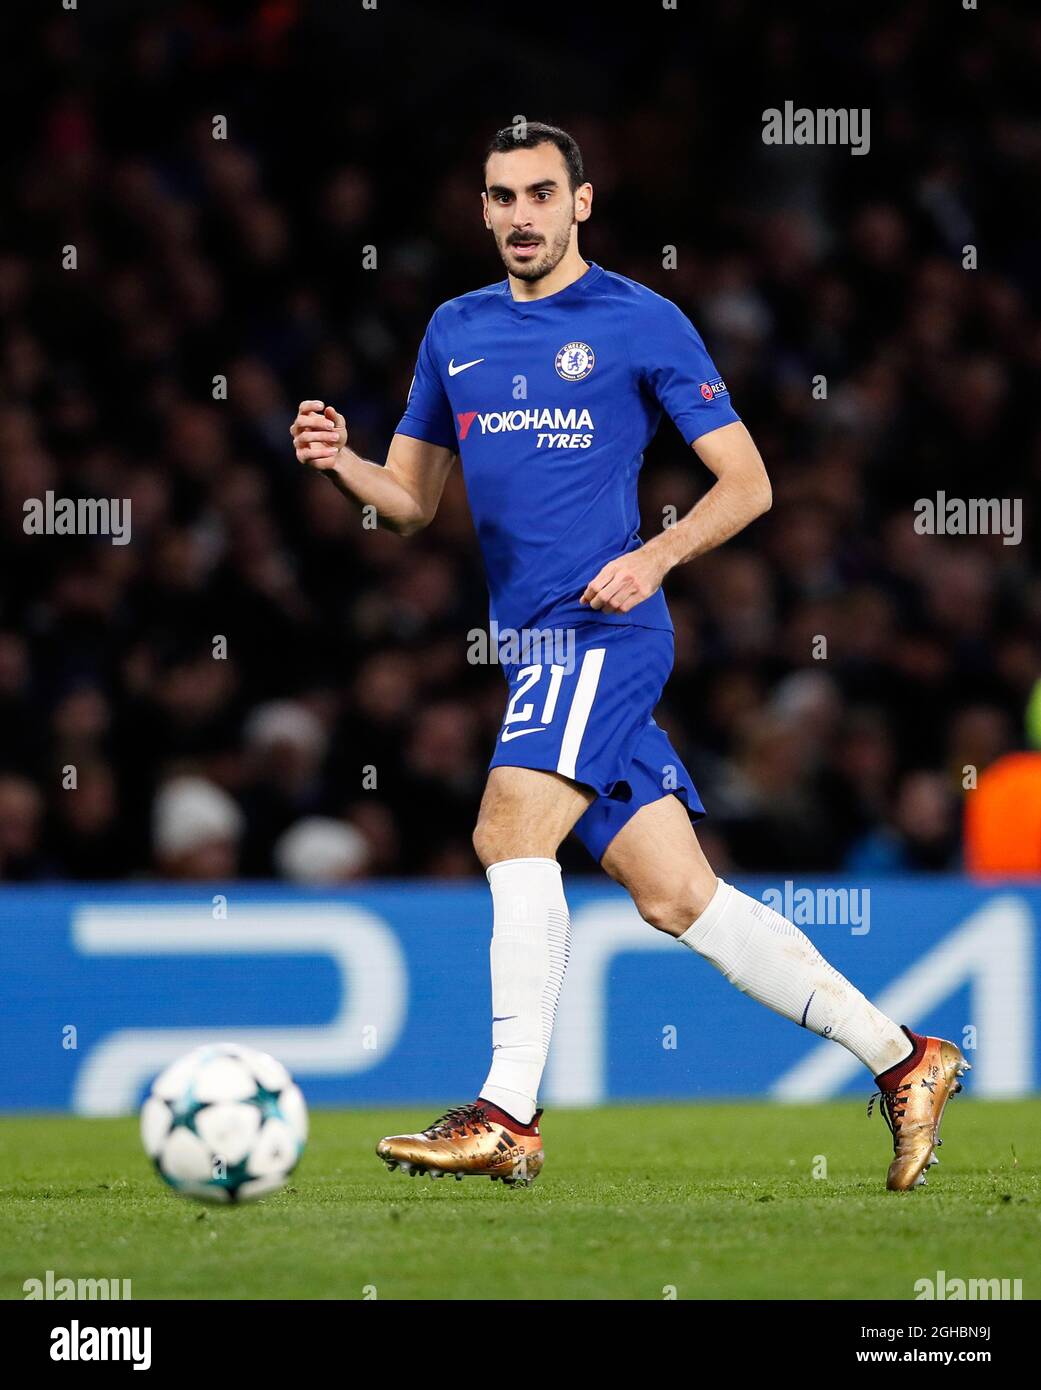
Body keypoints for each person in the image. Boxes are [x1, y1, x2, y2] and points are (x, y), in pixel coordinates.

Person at [290, 121, 968, 1192]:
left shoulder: (640, 321)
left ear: (582, 203)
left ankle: (507, 1112)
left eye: (540, 194)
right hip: (535, 652)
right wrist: (343, 466)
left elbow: (749, 484)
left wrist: (655, 555)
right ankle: (905, 1057)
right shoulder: (452, 331)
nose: (521, 215)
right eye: (502, 196)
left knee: (507, 825)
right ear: (483, 209)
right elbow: (413, 506)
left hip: (604, 631)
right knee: (677, 895)